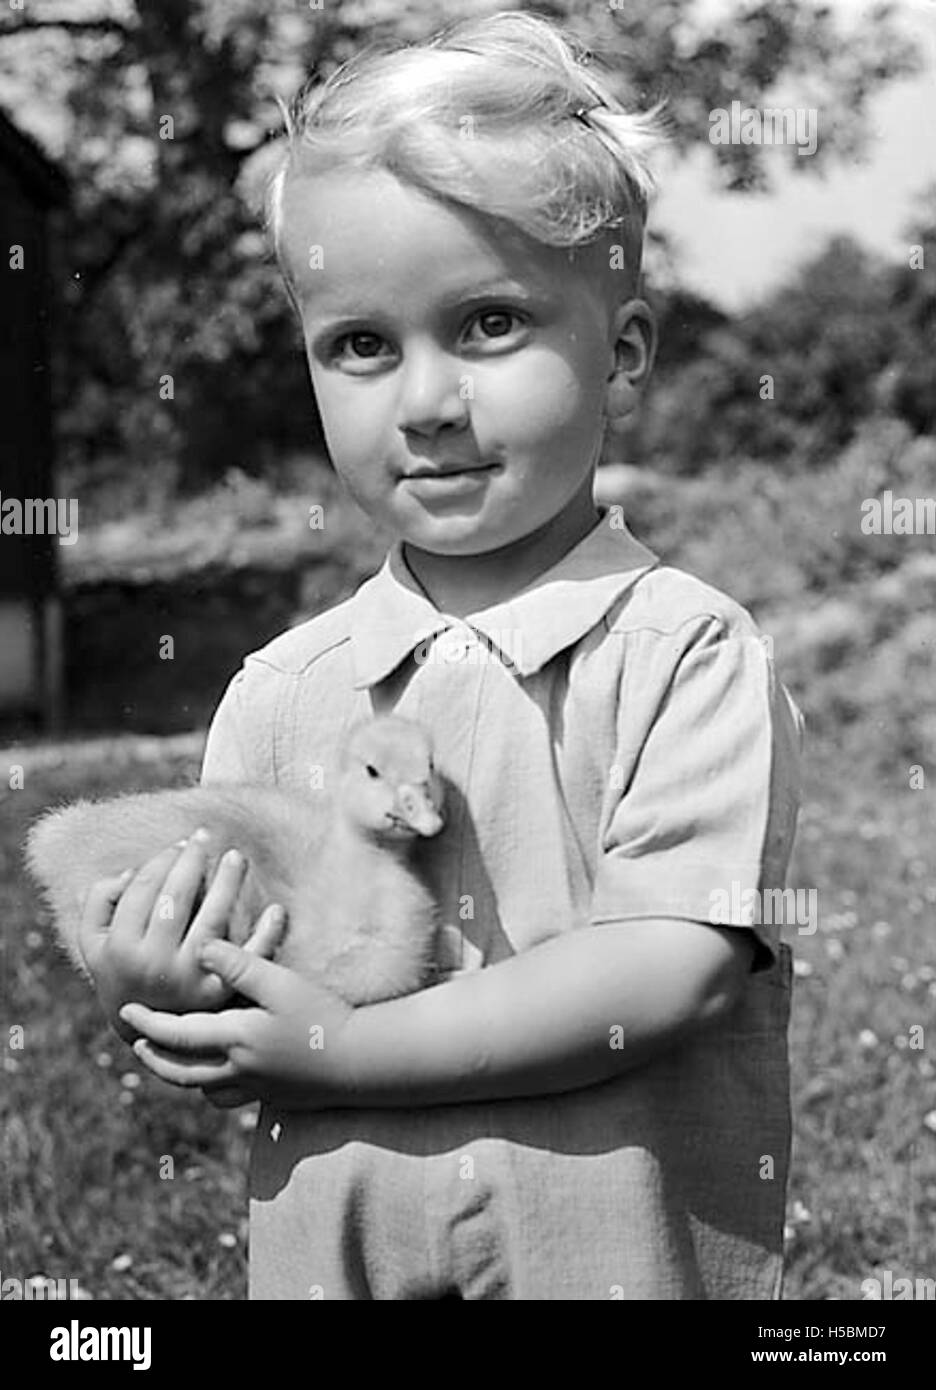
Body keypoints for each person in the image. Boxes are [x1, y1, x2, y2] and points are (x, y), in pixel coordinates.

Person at [82, 11, 803, 1299]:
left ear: (623, 350)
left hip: (610, 1260)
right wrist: (162, 975)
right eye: (361, 345)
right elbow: (243, 958)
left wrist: (350, 1053)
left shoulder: (687, 654)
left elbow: (671, 965)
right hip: (337, 1254)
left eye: (486, 325)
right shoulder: (284, 692)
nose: (423, 401)